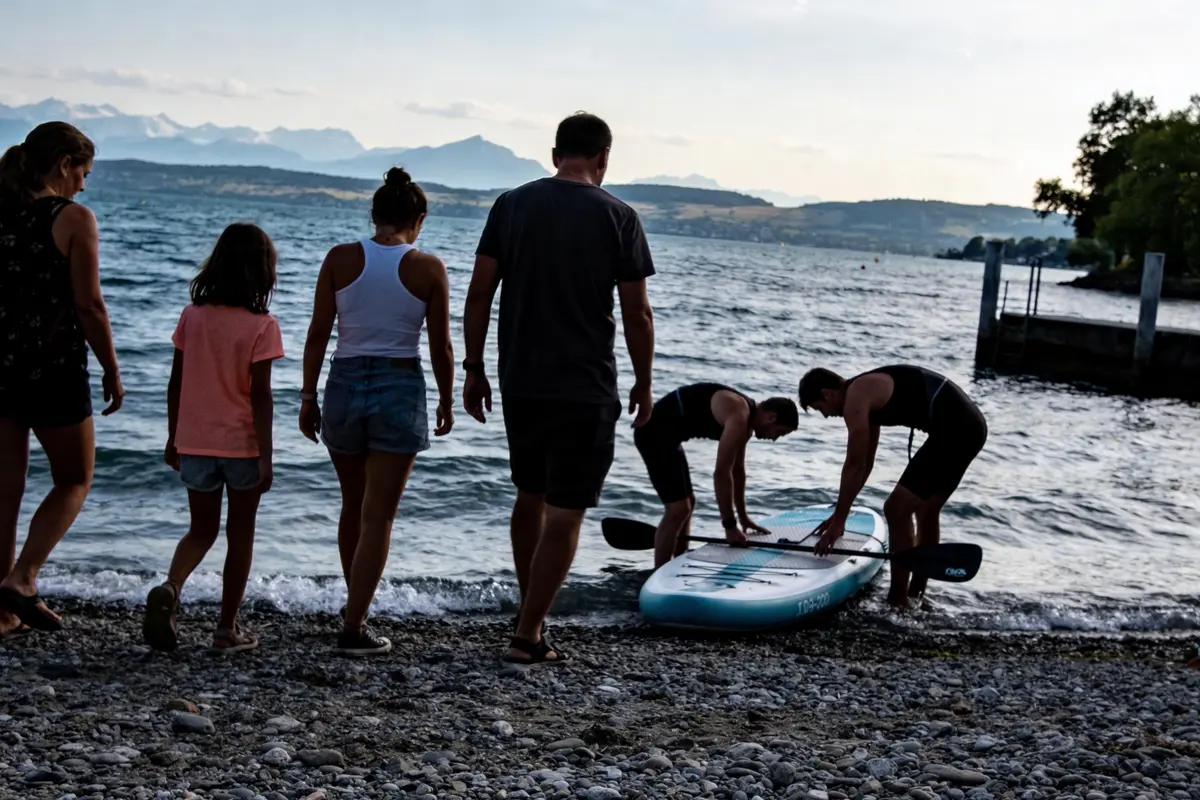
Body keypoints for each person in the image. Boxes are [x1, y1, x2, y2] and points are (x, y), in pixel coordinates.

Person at [462, 112, 655, 666]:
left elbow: (479, 295)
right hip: (585, 384)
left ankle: (534, 616)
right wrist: (644, 379)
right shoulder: (620, 216)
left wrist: (474, 367)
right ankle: (527, 634)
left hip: (520, 378)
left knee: (530, 495)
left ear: (554, 154)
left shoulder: (511, 205)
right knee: (567, 510)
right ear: (604, 158)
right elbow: (636, 314)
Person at [299, 167, 454, 657]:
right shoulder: (428, 268)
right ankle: (354, 624)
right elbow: (441, 347)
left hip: (343, 380)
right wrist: (448, 398)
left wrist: (307, 396)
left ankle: (355, 609)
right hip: (397, 382)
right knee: (379, 516)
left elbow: (318, 332)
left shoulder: (340, 259)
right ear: (419, 219)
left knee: (354, 505)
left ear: (374, 214)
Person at [0, 122, 124, 637]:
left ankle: (2, 613)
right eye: (83, 173)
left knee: (4, 495)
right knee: (73, 479)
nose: (84, 185)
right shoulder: (73, 218)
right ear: (63, 165)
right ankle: (23, 578)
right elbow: (89, 305)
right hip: (52, 367)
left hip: (0, 367)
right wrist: (112, 368)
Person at [143, 224, 283, 653]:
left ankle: (171, 585)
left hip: (195, 441)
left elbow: (176, 383)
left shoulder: (193, 316)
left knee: (200, 530)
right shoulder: (262, 325)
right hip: (241, 445)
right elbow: (260, 395)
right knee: (240, 535)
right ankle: (226, 629)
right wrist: (266, 455)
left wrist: (174, 437)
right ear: (262, 272)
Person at [797, 364, 988, 608]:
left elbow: (854, 464)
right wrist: (838, 515)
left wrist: (839, 523)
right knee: (926, 509)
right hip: (970, 426)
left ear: (827, 393)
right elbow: (866, 464)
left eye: (819, 408)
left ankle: (897, 600)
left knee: (896, 509)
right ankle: (915, 595)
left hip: (954, 428)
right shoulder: (865, 392)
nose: (825, 415)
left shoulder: (856, 396)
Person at [634, 384, 799, 567]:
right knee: (678, 510)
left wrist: (743, 517)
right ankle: (658, 573)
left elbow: (738, 472)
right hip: (652, 433)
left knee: (688, 503)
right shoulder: (739, 415)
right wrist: (729, 527)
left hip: (670, 439)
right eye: (779, 432)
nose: (775, 438)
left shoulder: (746, 425)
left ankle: (677, 564)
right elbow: (721, 473)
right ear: (771, 417)